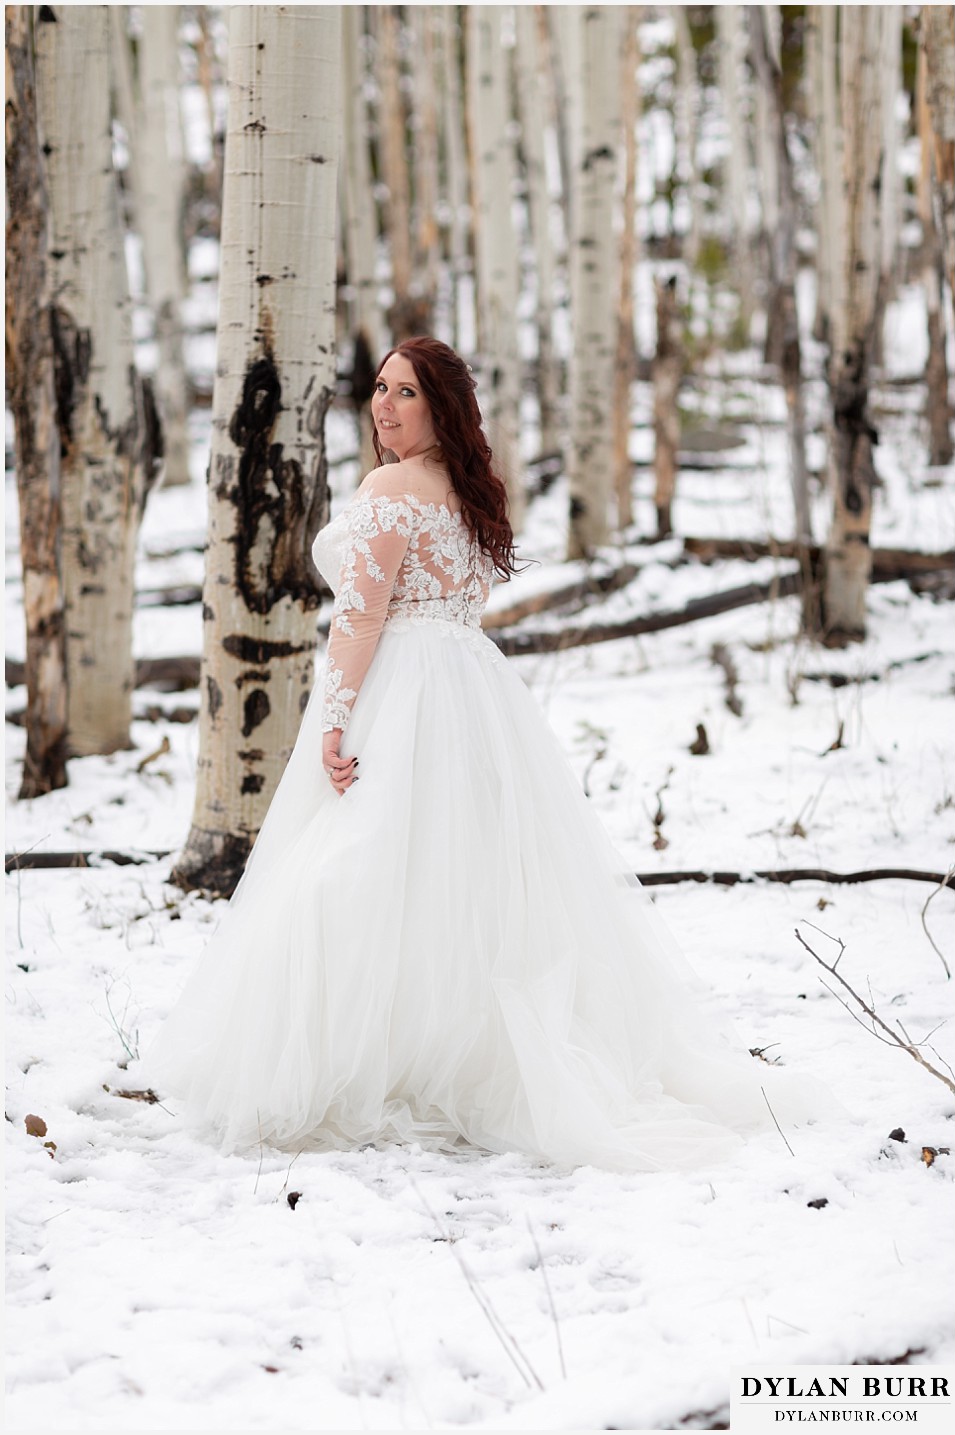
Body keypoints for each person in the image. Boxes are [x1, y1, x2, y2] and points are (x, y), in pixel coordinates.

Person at [144, 337, 832, 1171]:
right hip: (468, 687)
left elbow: (361, 619)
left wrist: (332, 718)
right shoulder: (465, 492)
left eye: (406, 394)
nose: (384, 405)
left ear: (442, 409)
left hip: (407, 687)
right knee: (459, 872)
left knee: (367, 864)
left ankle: (382, 1057)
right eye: (382, 389)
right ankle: (440, 1045)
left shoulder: (391, 488)